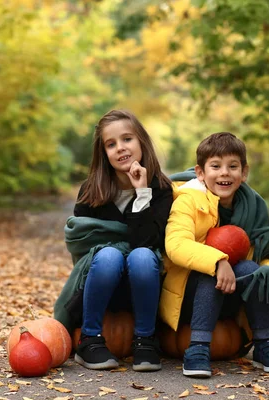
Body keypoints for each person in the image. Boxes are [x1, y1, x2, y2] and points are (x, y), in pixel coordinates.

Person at [159, 132, 269, 378]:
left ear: (243, 173)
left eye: (232, 166)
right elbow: (176, 245)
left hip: (234, 293)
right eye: (216, 166)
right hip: (189, 296)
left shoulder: (255, 206)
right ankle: (198, 347)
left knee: (251, 271)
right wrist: (218, 261)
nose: (224, 173)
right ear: (200, 172)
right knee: (208, 273)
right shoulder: (187, 201)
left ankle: (263, 344)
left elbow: (267, 253)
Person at [53, 109, 173, 372]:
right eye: (111, 144)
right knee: (108, 254)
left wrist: (142, 193)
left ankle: (145, 339)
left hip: (144, 285)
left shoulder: (161, 189)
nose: (120, 148)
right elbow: (81, 240)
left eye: (127, 139)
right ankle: (89, 338)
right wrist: (116, 246)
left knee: (142, 255)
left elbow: (149, 240)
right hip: (101, 284)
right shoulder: (91, 190)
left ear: (142, 141)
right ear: (103, 153)